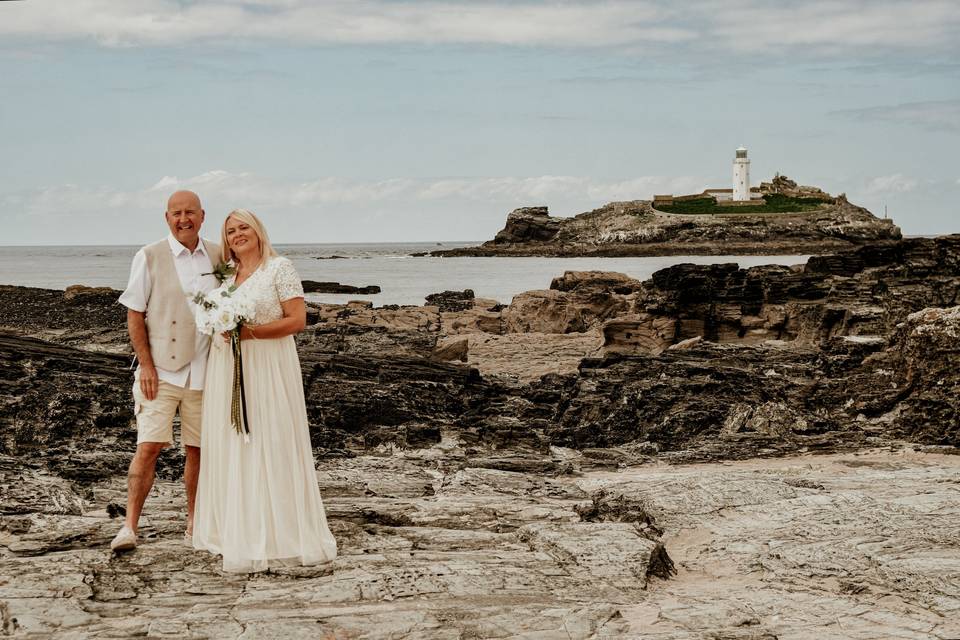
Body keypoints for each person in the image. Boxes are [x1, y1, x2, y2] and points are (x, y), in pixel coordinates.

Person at [192, 208, 337, 572]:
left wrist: (249, 333)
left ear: (258, 231)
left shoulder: (279, 267)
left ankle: (277, 534)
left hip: (268, 366)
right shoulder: (226, 275)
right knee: (234, 444)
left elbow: (297, 320)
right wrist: (220, 326)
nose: (238, 234)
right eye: (231, 231)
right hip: (228, 367)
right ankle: (235, 531)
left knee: (270, 440)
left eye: (244, 228)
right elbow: (215, 316)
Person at [111, 190, 221, 552]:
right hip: (160, 373)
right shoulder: (149, 255)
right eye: (176, 213)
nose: (183, 218)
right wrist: (144, 364)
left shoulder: (221, 255)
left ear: (202, 216)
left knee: (199, 451)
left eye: (190, 212)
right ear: (167, 217)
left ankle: (194, 525)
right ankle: (129, 527)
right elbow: (134, 313)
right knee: (148, 447)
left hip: (207, 373)